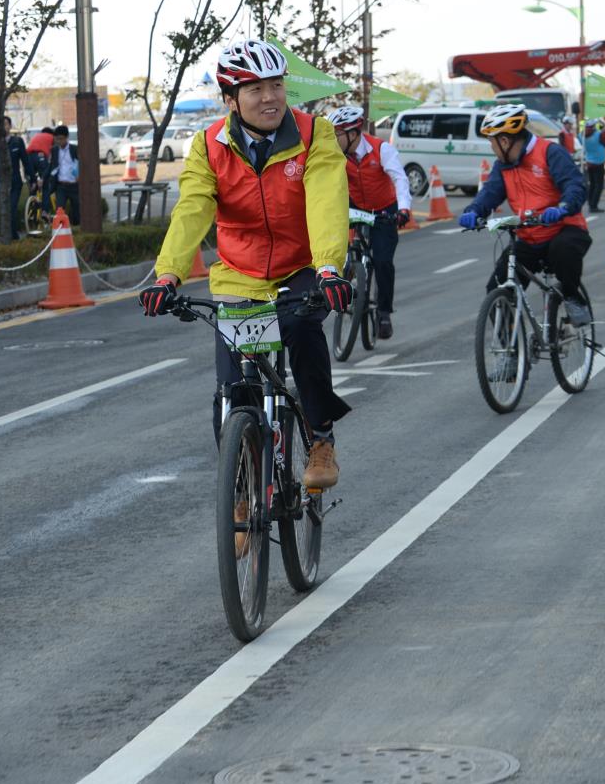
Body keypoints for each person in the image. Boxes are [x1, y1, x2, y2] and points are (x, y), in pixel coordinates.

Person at [139, 39, 352, 491]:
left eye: (276, 85)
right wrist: (167, 275)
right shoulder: (207, 145)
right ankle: (241, 490)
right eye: (255, 89)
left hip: (302, 267)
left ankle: (321, 437)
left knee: (302, 330)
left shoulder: (315, 134)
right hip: (239, 274)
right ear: (231, 99)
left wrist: (330, 267)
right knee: (233, 395)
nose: (270, 97)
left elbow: (326, 203)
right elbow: (192, 209)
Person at [459, 104, 592, 319]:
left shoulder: (550, 152)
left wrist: (562, 208)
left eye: (492, 142)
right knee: (496, 286)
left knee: (563, 250)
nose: (492, 148)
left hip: (563, 228)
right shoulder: (503, 165)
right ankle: (510, 348)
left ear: (504, 141)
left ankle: (572, 297)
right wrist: (474, 211)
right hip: (529, 236)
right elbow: (490, 193)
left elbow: (574, 185)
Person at [328, 105, 412, 339]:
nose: (333, 140)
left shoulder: (381, 149)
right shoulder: (336, 155)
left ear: (353, 134)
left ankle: (384, 313)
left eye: (337, 135)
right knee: (340, 253)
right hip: (354, 206)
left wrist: (403, 209)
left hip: (385, 209)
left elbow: (400, 179)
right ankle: (351, 287)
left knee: (383, 261)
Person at [0, 114, 34, 239]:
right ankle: (7, 236)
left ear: (10, 126)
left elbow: (26, 161)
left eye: (5, 124)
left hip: (15, 182)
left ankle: (13, 237)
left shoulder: (17, 141)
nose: (3, 127)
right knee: (4, 210)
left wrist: (33, 179)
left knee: (12, 208)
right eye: (0, 125)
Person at [46, 125, 80, 223]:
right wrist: (43, 178)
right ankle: (60, 232)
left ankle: (76, 231)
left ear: (67, 137)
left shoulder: (75, 149)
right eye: (57, 139)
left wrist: (79, 175)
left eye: (61, 139)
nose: (59, 142)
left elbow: (80, 163)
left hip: (74, 185)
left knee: (77, 212)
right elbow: (51, 165)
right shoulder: (54, 150)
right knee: (59, 210)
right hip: (61, 186)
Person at [582, 119, 605, 212]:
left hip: (589, 162)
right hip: (599, 163)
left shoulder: (582, 136)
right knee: (599, 185)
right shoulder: (598, 135)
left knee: (592, 184)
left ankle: (590, 203)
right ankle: (594, 205)